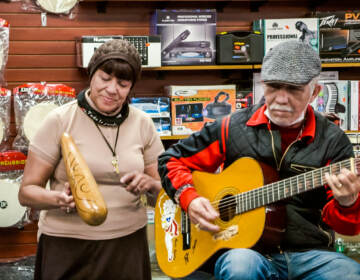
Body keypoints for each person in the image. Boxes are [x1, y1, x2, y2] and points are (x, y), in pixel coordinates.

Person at [158, 40, 360, 280]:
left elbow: (346, 228)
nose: (281, 99)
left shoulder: (333, 140)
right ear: (263, 84)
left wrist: (348, 202)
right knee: (241, 268)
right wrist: (190, 199)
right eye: (274, 87)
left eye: (294, 89)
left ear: (314, 92)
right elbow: (172, 160)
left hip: (310, 253)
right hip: (245, 250)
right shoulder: (232, 127)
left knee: (349, 274)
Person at [18, 39, 164, 280]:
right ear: (91, 75)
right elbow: (27, 193)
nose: (112, 89)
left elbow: (163, 191)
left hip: (128, 243)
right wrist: (58, 198)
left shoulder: (142, 123)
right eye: (105, 79)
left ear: (131, 88)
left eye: (122, 83)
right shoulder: (60, 120)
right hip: (67, 246)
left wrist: (149, 185)